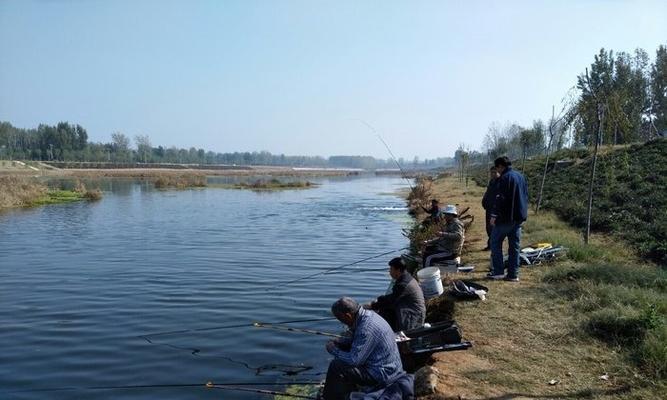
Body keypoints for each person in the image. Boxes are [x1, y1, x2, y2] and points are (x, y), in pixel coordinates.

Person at [322, 297, 405, 400]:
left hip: (383, 374)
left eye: (341, 319)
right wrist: (339, 341)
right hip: (389, 366)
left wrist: (333, 349)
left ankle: (329, 397)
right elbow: (358, 341)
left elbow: (354, 360)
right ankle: (347, 389)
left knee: (336, 365)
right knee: (343, 349)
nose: (342, 323)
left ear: (348, 315)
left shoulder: (365, 328)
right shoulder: (368, 316)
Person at [487, 156, 528, 282]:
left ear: (500, 166)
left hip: (505, 219)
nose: (497, 171)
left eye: (497, 168)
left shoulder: (504, 178)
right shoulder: (520, 176)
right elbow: (525, 195)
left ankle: (498, 271)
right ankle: (513, 274)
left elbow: (499, 199)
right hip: (518, 218)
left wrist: (493, 216)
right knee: (514, 247)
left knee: (495, 243)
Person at [367, 257, 425, 332]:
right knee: (384, 309)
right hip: (410, 310)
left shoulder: (403, 284)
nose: (389, 272)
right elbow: (392, 296)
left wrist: (372, 306)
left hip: (414, 317)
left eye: (391, 269)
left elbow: (390, 301)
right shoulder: (405, 278)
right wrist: (379, 299)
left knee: (385, 310)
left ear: (398, 270)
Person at [481, 166, 500, 251]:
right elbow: (487, 192)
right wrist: (484, 201)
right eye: (491, 172)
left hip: (495, 209)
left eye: (494, 172)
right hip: (489, 208)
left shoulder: (501, 183)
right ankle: (490, 244)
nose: (493, 174)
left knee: (493, 228)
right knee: (488, 228)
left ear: (499, 172)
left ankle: (493, 245)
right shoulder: (491, 182)